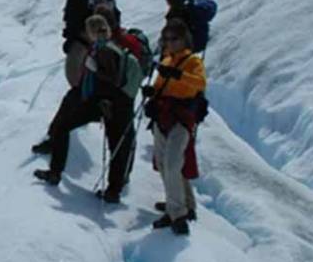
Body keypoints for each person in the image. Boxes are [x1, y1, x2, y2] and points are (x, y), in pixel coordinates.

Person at [34, 14, 133, 204]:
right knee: (115, 147)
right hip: (112, 104)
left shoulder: (104, 50)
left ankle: (56, 172)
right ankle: (113, 191)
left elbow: (111, 78)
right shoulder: (108, 47)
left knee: (65, 128)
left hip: (106, 103)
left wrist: (94, 69)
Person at [142, 18, 206, 236]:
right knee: (165, 163)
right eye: (166, 39)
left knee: (171, 163)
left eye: (174, 38)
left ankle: (176, 214)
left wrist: (178, 75)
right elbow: (162, 86)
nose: (170, 42)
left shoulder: (192, 62)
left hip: (180, 118)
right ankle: (184, 204)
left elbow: (199, 83)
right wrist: (152, 93)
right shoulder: (167, 60)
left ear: (184, 39)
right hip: (163, 116)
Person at [31, 0, 91, 155]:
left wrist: (71, 38)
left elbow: (74, 16)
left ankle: (59, 132)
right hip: (88, 41)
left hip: (81, 41)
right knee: (81, 83)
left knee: (76, 84)